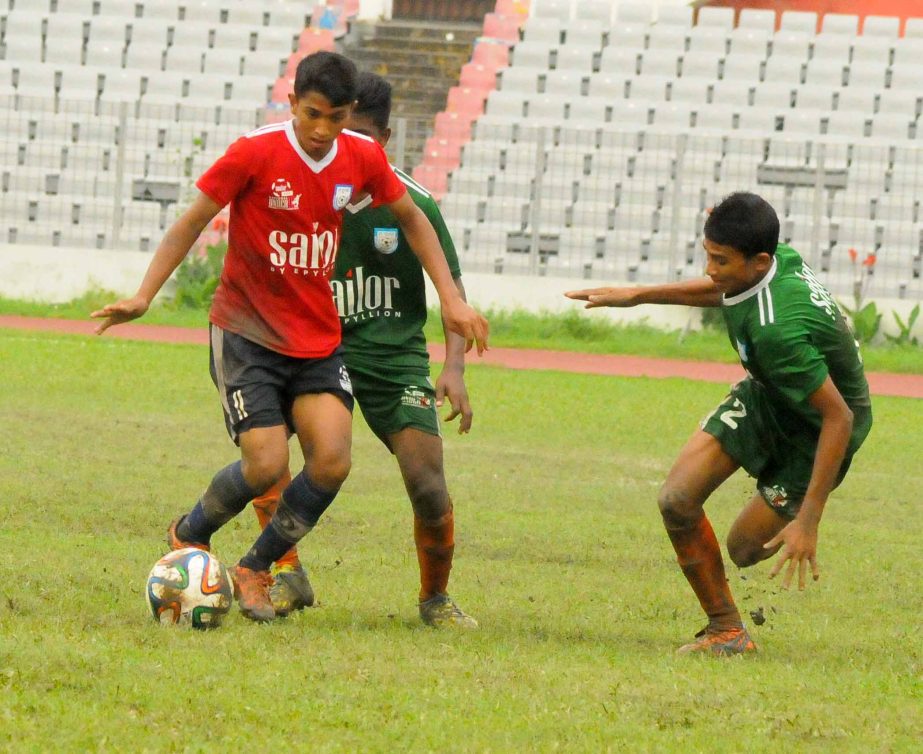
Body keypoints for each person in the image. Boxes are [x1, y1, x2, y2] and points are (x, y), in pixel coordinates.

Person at [91, 51, 489, 623]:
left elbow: (415, 221)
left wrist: (451, 299)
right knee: (265, 464)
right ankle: (191, 531)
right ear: (292, 103)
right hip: (246, 333)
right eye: (312, 115)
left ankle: (255, 568)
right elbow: (193, 219)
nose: (324, 130)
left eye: (336, 117)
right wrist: (144, 294)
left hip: (317, 339)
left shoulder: (363, 156)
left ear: (351, 114)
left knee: (331, 460)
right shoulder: (255, 151)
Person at [566, 192, 872, 656]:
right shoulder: (775, 261)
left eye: (720, 260)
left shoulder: (778, 332)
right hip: (770, 395)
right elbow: (727, 288)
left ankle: (785, 502)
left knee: (745, 549)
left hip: (816, 432)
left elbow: (840, 416)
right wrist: (640, 295)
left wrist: (809, 520)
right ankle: (727, 631)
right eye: (707, 254)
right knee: (677, 499)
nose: (710, 268)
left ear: (760, 259)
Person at [250, 71, 478, 628]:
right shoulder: (303, 190)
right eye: (335, 130)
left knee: (427, 481)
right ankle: (286, 573)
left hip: (392, 357)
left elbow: (451, 289)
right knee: (270, 459)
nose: (343, 148)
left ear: (386, 138)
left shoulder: (413, 204)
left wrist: (452, 366)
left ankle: (435, 600)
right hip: (312, 347)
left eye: (362, 136)